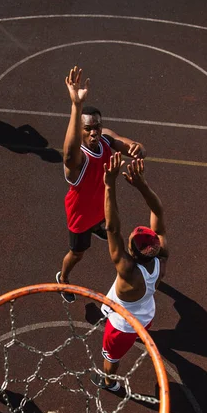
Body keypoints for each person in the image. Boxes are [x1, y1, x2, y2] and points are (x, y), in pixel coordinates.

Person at [56, 66, 146, 303]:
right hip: (80, 214)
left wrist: (137, 148)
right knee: (77, 253)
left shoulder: (105, 137)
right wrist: (76, 105)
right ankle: (63, 279)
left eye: (97, 126)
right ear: (80, 131)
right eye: (88, 129)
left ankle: (98, 226)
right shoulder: (78, 158)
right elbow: (67, 155)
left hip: (100, 207)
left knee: (111, 229)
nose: (94, 132)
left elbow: (131, 146)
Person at [91, 152, 169, 392]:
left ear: (131, 252)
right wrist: (142, 186)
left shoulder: (127, 271)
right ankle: (136, 340)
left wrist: (109, 184)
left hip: (122, 326)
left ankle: (109, 382)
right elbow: (159, 212)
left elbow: (112, 227)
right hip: (145, 314)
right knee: (139, 330)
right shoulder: (161, 259)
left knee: (111, 358)